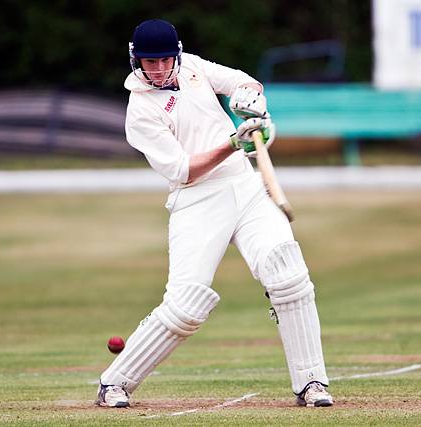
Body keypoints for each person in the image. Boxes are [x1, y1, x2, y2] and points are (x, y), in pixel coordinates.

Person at [96, 18, 333, 408]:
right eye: (148, 62)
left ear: (177, 53)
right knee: (187, 304)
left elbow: (246, 82)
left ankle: (311, 383)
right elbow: (183, 170)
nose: (156, 70)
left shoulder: (192, 67)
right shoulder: (139, 111)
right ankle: (115, 382)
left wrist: (251, 103)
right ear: (135, 60)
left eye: (163, 60)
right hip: (197, 199)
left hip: (245, 185)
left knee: (287, 273)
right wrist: (233, 142)